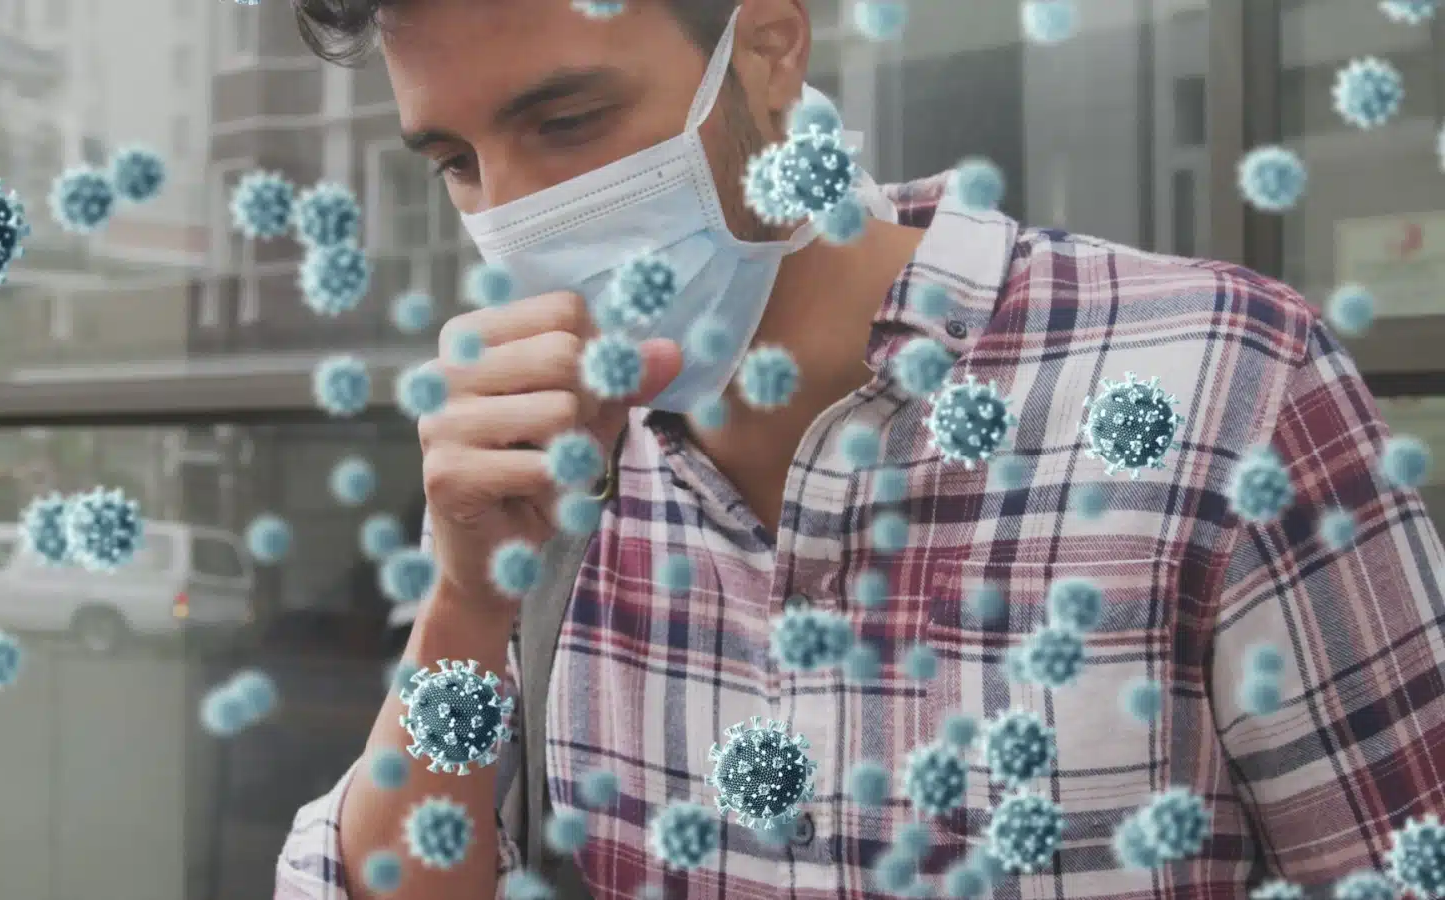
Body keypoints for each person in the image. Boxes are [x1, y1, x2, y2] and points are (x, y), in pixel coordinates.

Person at [275, 2, 1445, 898]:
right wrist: (466, 610)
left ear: (771, 49)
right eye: (456, 163)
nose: (515, 214)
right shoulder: (541, 470)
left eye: (568, 121)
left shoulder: (1218, 386)